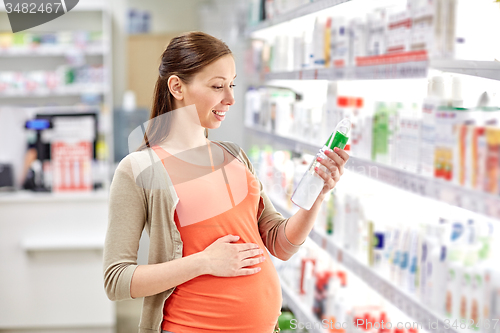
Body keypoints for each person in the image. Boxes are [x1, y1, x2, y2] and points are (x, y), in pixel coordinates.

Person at [103, 31, 349, 333]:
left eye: (231, 85)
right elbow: (116, 280)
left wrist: (318, 194)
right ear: (177, 86)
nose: (230, 99)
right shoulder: (139, 168)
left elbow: (280, 243)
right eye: (217, 86)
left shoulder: (235, 156)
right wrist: (204, 262)